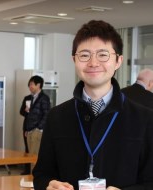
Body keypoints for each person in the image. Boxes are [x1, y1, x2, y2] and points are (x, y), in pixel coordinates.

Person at [33, 20, 153, 190]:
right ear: (74, 59)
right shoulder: (57, 116)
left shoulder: (145, 118)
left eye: (103, 55)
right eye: (84, 55)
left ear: (118, 61)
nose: (93, 63)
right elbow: (41, 174)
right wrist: (48, 184)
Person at [20, 75, 50, 174]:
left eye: (32, 84)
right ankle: (31, 175)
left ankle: (35, 177)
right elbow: (27, 115)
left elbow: (47, 114)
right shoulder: (30, 98)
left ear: (39, 85)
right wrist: (27, 129)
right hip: (30, 130)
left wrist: (38, 128)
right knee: (30, 155)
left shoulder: (44, 98)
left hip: (36, 131)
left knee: (35, 155)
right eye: (29, 85)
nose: (30, 86)